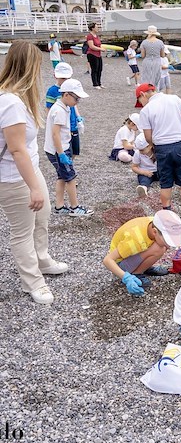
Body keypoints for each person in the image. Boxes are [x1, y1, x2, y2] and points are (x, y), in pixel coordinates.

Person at [0, 41, 68, 305]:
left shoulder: (18, 98)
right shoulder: (11, 103)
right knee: (22, 230)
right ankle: (33, 282)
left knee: (43, 215)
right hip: (12, 176)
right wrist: (35, 187)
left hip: (29, 169)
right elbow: (17, 151)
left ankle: (42, 259)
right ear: (30, 67)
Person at [103, 210, 181, 297]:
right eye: (167, 240)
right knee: (159, 248)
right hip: (120, 265)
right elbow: (107, 260)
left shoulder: (158, 223)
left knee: (160, 246)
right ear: (154, 232)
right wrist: (125, 277)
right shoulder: (134, 240)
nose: (169, 246)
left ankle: (143, 268)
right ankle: (135, 274)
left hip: (134, 254)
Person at [135, 83, 181, 220]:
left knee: (166, 183)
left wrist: (154, 146)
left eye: (140, 100)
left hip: (162, 147)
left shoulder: (146, 110)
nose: (141, 103)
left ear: (143, 94)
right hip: (180, 144)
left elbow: (147, 136)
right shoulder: (174, 99)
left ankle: (167, 214)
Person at [44, 79, 94, 217]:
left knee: (61, 177)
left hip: (57, 148)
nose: (77, 102)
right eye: (76, 98)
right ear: (66, 95)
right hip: (58, 150)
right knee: (71, 178)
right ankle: (75, 207)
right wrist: (61, 154)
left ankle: (59, 206)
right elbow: (55, 134)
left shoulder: (63, 107)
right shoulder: (59, 110)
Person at [46, 62, 84, 159]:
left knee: (74, 149)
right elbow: (49, 108)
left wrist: (78, 116)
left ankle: (70, 164)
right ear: (55, 76)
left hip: (72, 123)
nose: (65, 80)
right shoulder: (52, 91)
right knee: (65, 146)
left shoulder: (72, 87)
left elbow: (74, 104)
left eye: (67, 78)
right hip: (62, 122)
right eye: (62, 78)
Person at [133, 132, 159, 197]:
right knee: (144, 179)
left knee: (168, 174)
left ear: (149, 146)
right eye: (139, 150)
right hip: (146, 172)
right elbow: (134, 167)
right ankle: (143, 188)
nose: (140, 152)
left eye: (142, 150)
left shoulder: (157, 151)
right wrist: (143, 172)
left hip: (159, 171)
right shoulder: (137, 153)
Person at [140, 26, 165, 90]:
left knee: (146, 78)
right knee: (156, 78)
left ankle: (146, 91)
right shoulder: (160, 42)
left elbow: (142, 55)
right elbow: (162, 55)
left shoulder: (144, 42)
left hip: (147, 61)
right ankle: (154, 91)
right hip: (156, 61)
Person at [86, 22, 105, 89]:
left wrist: (101, 49)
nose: (98, 28)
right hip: (92, 54)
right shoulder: (89, 36)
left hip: (98, 54)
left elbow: (98, 44)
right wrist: (100, 49)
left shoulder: (96, 36)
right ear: (92, 28)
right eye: (96, 27)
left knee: (100, 69)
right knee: (94, 69)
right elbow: (91, 46)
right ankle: (95, 84)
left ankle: (99, 83)